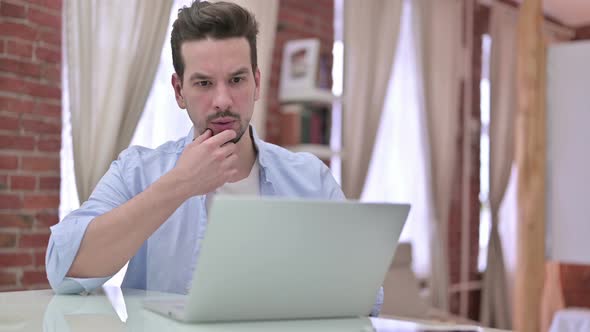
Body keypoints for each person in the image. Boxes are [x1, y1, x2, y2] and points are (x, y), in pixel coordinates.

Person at [46, 0, 383, 316]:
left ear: (256, 83)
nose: (223, 100)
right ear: (179, 91)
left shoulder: (310, 177)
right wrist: (179, 185)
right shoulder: (138, 170)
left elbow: (367, 297)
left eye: (236, 79)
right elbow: (63, 270)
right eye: (204, 83)